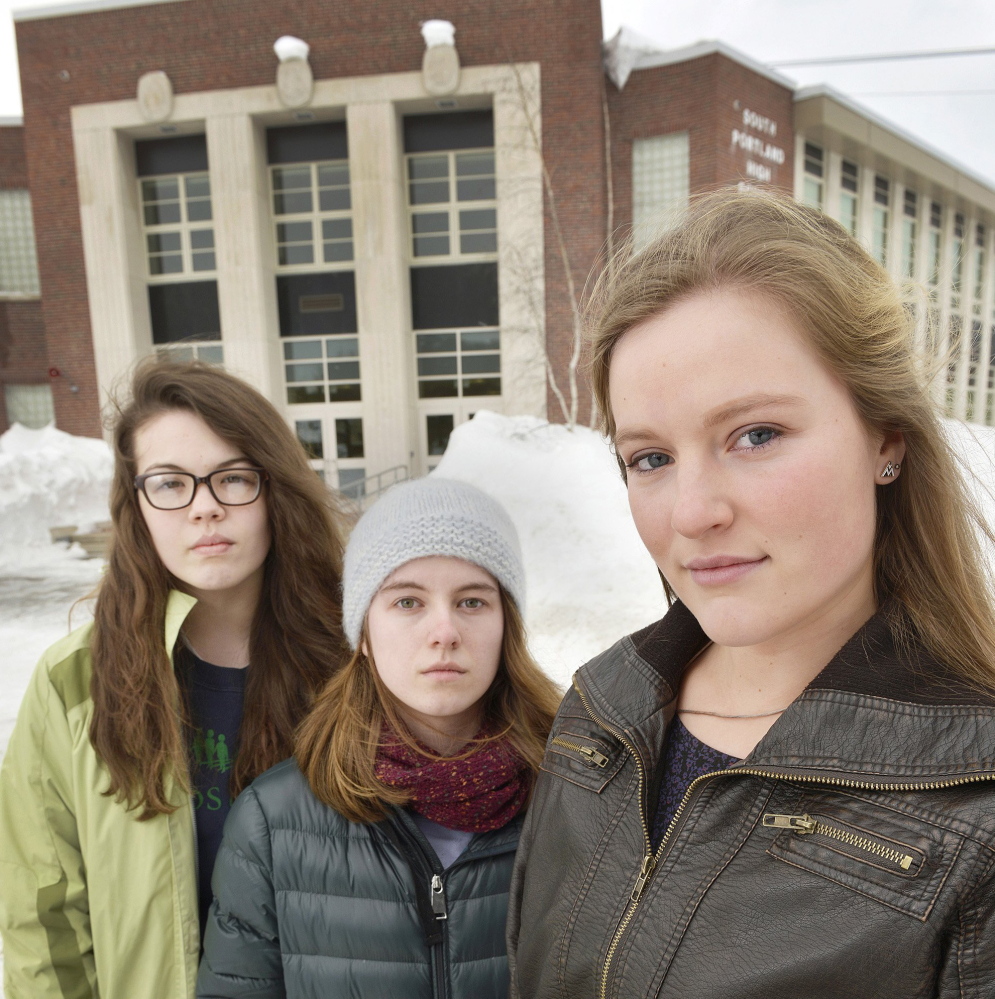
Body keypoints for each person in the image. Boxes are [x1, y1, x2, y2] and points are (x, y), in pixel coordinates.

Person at [507, 189, 995, 998]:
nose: (693, 513)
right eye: (650, 457)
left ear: (884, 437)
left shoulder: (973, 803)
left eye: (755, 435)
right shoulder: (600, 710)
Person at [0, 360, 348, 999]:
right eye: (169, 484)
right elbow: (42, 916)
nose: (205, 508)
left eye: (233, 478)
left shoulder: (357, 663)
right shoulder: (74, 683)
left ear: (277, 491)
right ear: (135, 505)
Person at [197, 476, 561, 999]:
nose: (444, 631)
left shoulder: (575, 798)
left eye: (472, 602)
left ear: (508, 623)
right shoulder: (271, 823)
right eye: (408, 602)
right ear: (364, 632)